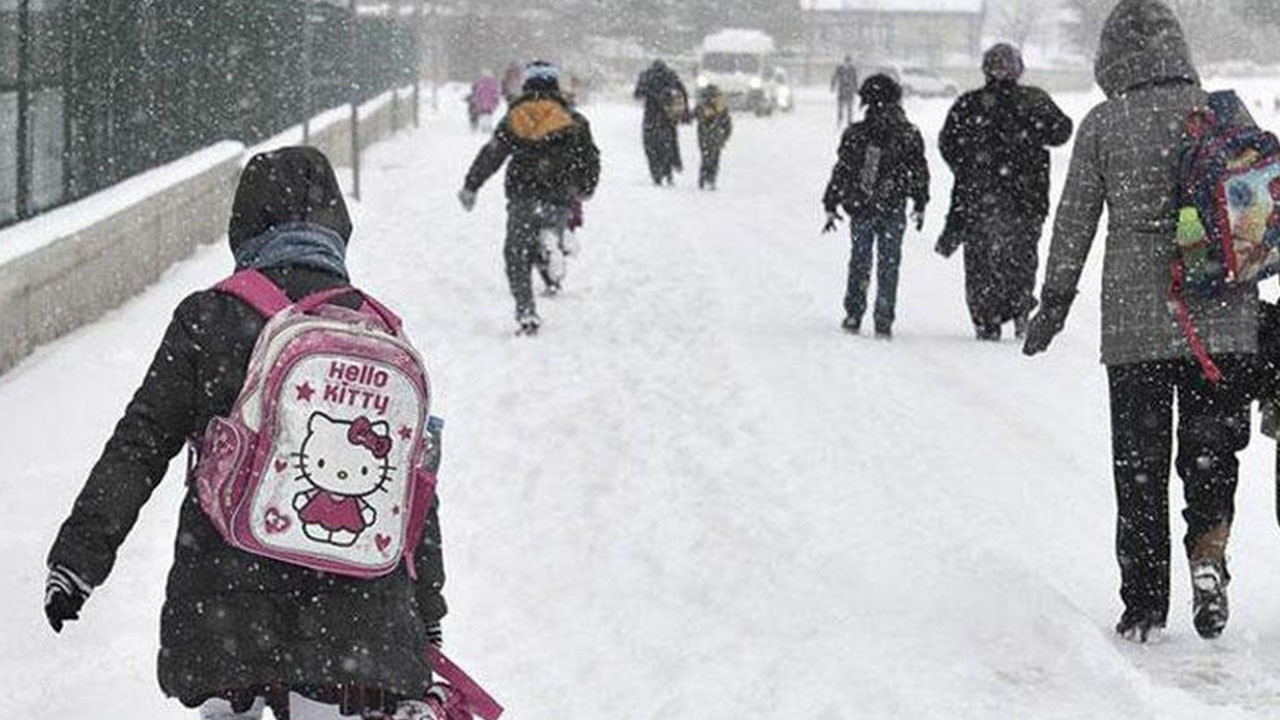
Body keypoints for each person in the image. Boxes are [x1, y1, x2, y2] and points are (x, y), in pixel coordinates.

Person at [42, 147, 448, 718]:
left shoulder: (208, 317)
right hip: (355, 620)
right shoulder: (378, 330)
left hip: (224, 603)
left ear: (244, 223)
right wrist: (426, 608)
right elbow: (414, 489)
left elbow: (140, 444)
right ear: (337, 226)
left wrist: (79, 559)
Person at [1023, 0, 1256, 643]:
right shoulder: (1221, 110)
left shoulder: (1104, 122)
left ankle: (1145, 605)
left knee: (1141, 467)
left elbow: (1074, 221)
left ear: (1110, 57)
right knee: (1210, 454)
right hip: (1222, 319)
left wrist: (1054, 301)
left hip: (1136, 324)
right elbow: (1260, 210)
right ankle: (1208, 556)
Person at [939, 43, 1073, 342]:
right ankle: (1018, 308)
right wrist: (1032, 134)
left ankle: (988, 317)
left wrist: (969, 168)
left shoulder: (970, 104)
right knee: (1020, 258)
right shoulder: (1032, 100)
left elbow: (948, 143)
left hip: (983, 197)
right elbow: (1062, 131)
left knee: (982, 262)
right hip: (1026, 196)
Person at [458, 61, 601, 336]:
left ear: (527, 85)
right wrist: (585, 188)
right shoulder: (574, 120)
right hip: (559, 197)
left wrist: (471, 186)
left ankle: (526, 313)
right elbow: (590, 159)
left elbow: (493, 154)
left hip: (523, 195)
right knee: (546, 233)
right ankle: (552, 247)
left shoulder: (515, 117)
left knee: (516, 254)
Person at [822, 74, 929, 339]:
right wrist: (920, 200)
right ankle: (883, 317)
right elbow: (919, 170)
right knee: (889, 263)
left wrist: (831, 201)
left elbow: (843, 170)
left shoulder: (857, 133)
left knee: (860, 260)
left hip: (862, 206)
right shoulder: (908, 133)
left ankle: (854, 313)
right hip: (893, 206)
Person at [633, 59, 689, 186]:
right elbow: (683, 92)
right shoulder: (670, 75)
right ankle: (668, 169)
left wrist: (650, 93)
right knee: (668, 144)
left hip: (651, 116)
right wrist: (685, 112)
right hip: (667, 115)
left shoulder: (646, 76)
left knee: (651, 146)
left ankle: (656, 173)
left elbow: (637, 94)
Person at [694, 84, 733, 191]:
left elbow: (727, 124)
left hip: (714, 139)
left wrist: (725, 136)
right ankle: (706, 179)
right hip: (709, 138)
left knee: (712, 159)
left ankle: (709, 179)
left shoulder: (721, 109)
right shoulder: (705, 108)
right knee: (708, 158)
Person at [831, 55, 859, 127]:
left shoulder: (852, 69)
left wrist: (856, 89)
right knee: (841, 107)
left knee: (849, 107)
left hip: (849, 90)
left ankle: (849, 121)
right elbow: (835, 77)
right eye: (847, 61)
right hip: (842, 90)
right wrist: (833, 85)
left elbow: (855, 79)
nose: (848, 63)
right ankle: (840, 120)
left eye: (849, 61)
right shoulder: (840, 68)